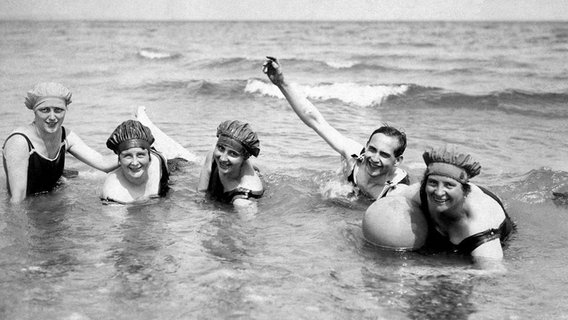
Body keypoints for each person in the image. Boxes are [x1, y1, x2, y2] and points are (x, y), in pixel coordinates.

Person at [263, 57, 409, 200]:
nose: (374, 158)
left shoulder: (396, 192)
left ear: (397, 161)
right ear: (366, 146)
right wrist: (281, 83)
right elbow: (315, 120)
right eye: (372, 149)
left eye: (384, 154)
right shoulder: (355, 157)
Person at [391, 147, 515, 268]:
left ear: (464, 191)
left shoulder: (479, 220)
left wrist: (427, 273)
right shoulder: (419, 192)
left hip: (495, 230)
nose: (439, 192)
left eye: (449, 185)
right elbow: (389, 199)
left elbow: (494, 270)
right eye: (433, 183)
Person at [2, 82, 118, 203]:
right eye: (45, 110)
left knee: (96, 179)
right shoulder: (19, 142)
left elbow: (104, 163)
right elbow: (17, 201)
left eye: (58, 110)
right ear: (35, 111)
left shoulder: (65, 135)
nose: (52, 117)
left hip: (52, 191)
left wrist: (134, 152)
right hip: (31, 201)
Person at [197, 120, 264, 213]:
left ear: (244, 158)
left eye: (233, 154)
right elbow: (201, 193)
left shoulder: (243, 201)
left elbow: (247, 227)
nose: (222, 158)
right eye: (221, 148)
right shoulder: (213, 155)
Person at [101, 120, 169, 203]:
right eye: (127, 156)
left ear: (149, 156)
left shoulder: (159, 162)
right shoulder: (113, 194)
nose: (135, 163)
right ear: (119, 159)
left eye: (140, 155)